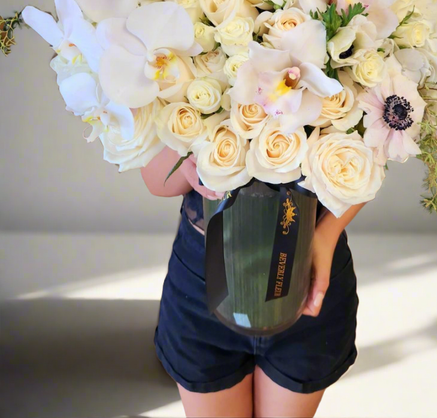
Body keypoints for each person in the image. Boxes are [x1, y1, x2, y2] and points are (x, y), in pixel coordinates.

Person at [141, 145, 368, 418]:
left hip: (306, 277)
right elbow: (156, 180)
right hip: (204, 286)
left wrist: (326, 236)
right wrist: (187, 149)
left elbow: (371, 155)